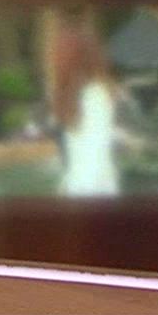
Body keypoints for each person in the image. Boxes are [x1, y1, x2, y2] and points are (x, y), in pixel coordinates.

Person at [51, 22, 120, 197]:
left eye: (60, 54)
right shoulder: (77, 96)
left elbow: (95, 156)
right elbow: (80, 153)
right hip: (83, 185)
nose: (55, 60)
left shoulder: (94, 95)